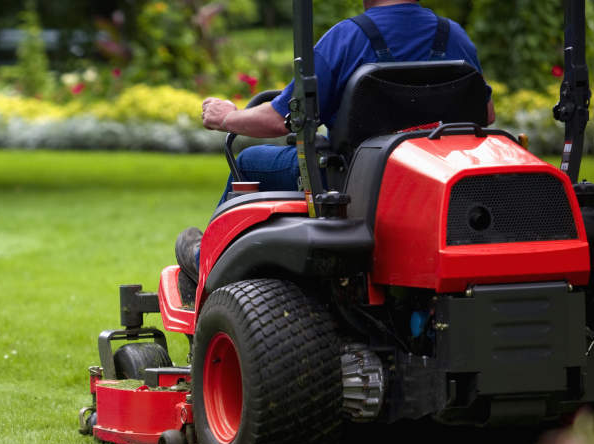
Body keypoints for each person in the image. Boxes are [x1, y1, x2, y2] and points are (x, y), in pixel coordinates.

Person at [176, 0, 494, 286]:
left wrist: (228, 118)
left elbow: (279, 118)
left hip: (351, 183)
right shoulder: (453, 36)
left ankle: (205, 258)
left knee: (249, 160)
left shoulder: (347, 38)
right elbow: (487, 113)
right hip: (436, 181)